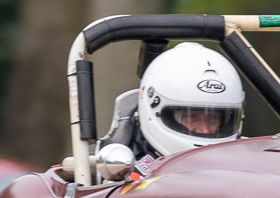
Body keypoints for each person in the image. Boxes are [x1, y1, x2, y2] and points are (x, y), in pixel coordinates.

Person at [102, 42, 246, 171]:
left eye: (212, 118)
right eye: (191, 117)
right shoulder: (133, 179)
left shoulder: (245, 166)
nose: (204, 129)